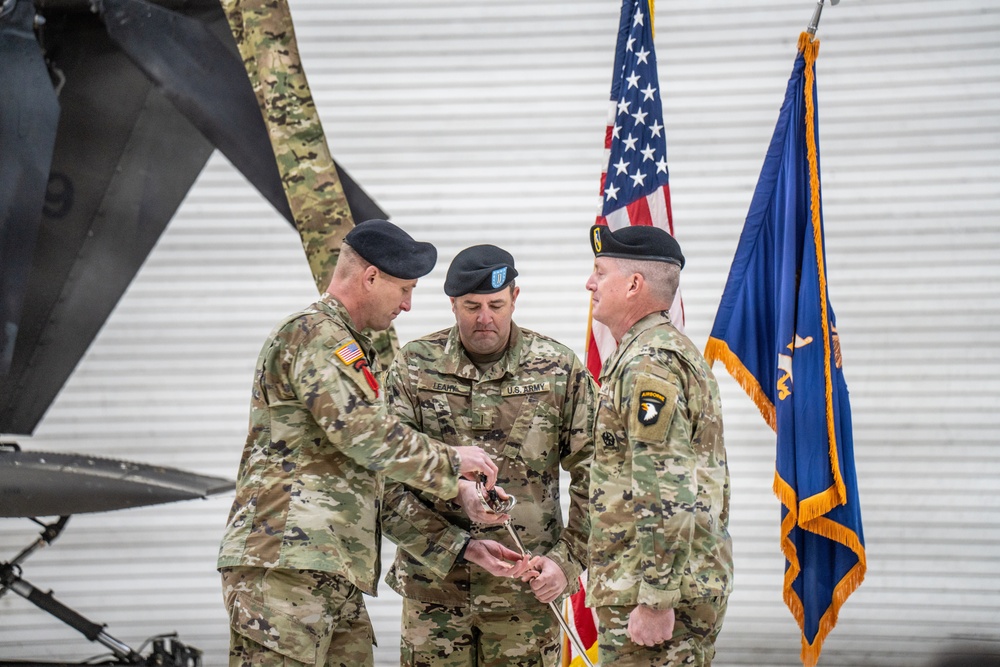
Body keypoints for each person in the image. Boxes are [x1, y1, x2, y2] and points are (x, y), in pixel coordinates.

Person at [217, 220, 502, 667]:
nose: (407, 306)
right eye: (404, 289)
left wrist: (459, 537)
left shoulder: (346, 346)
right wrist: (452, 463)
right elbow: (366, 436)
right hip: (286, 568)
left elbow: (366, 476)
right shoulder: (316, 336)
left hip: (331, 569)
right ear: (371, 277)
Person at [381, 244, 596, 667]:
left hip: (527, 596)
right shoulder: (412, 369)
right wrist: (454, 544)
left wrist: (566, 563)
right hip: (434, 593)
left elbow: (600, 477)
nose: (485, 318)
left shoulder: (557, 369)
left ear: (515, 297)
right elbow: (383, 483)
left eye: (496, 304)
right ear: (452, 304)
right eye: (471, 306)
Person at [584, 224, 733, 666]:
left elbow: (664, 486)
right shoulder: (652, 352)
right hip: (662, 581)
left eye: (599, 271)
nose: (589, 283)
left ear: (633, 284)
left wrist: (656, 599)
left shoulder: (649, 362)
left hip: (654, 591)